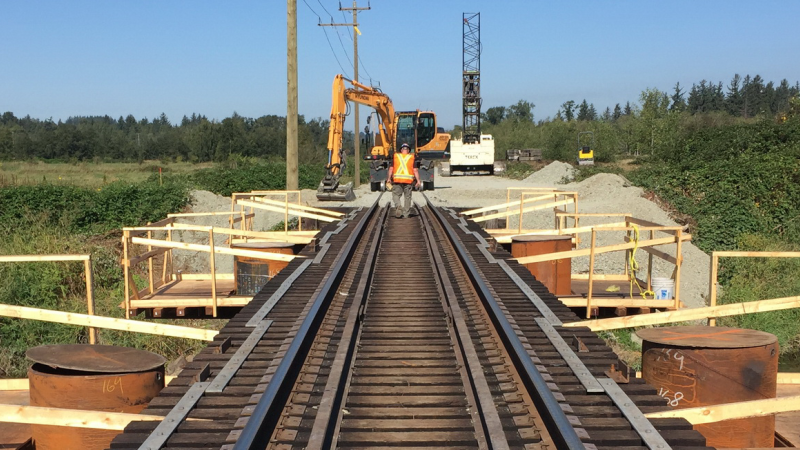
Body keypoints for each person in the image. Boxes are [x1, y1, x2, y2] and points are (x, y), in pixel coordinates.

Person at [386, 142, 421, 218]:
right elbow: (415, 170)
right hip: (408, 181)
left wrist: (388, 178)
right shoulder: (411, 158)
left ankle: (398, 206)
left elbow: (391, 169)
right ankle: (406, 214)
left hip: (397, 180)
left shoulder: (396, 157)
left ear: (401, 150)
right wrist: (418, 180)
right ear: (408, 150)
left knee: (395, 195)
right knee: (407, 197)